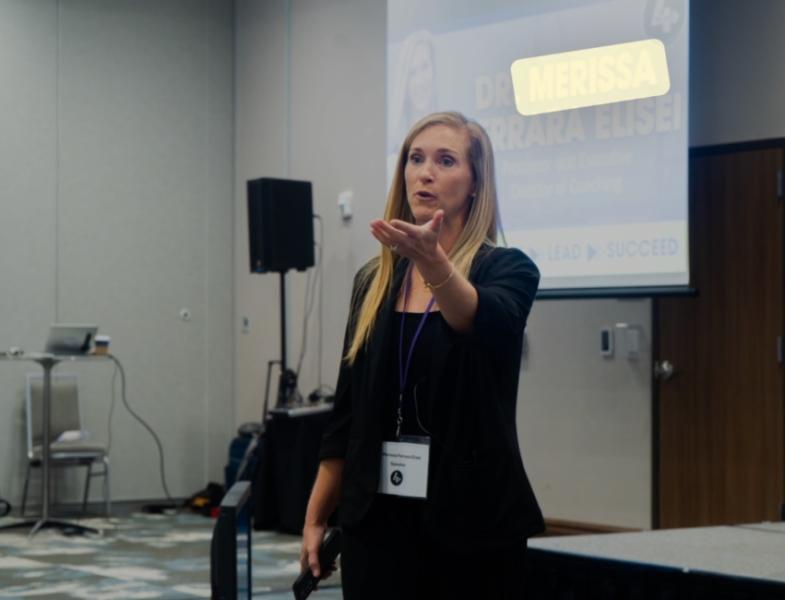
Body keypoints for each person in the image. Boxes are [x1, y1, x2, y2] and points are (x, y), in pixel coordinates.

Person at [300, 111, 543, 599]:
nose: (425, 173)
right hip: (377, 521)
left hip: (472, 524)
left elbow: (474, 318)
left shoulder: (508, 269)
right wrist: (315, 516)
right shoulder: (373, 282)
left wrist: (434, 264)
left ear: (475, 184)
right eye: (415, 158)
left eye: (445, 160)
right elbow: (347, 416)